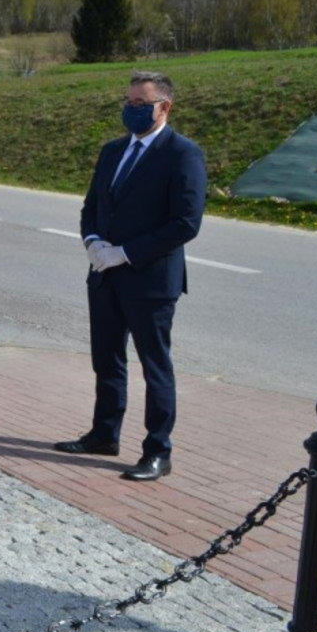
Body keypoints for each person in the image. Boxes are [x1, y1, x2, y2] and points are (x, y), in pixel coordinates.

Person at [55, 71, 206, 482]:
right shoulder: (113, 150)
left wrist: (125, 253)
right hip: (104, 275)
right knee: (106, 360)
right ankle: (104, 434)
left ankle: (158, 450)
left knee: (155, 367)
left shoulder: (182, 154)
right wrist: (93, 243)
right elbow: (91, 207)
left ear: (164, 107)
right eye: (127, 102)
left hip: (150, 280)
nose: (131, 109)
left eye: (141, 104)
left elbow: (186, 223)